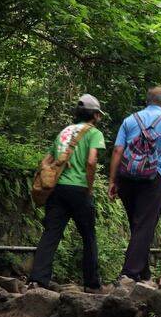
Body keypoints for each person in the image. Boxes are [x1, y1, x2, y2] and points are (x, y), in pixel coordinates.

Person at [109, 86, 161, 283]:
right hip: (152, 178)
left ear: (147, 101)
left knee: (138, 226)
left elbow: (117, 150)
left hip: (126, 177)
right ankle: (129, 273)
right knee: (144, 226)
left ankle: (142, 274)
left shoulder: (130, 120)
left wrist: (113, 181)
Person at [29, 94, 108, 293]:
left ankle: (38, 280)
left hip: (57, 190)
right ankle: (91, 284)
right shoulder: (94, 133)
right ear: (95, 115)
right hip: (79, 189)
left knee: (51, 234)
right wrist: (88, 188)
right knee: (88, 236)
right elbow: (91, 162)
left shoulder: (64, 132)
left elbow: (45, 161)